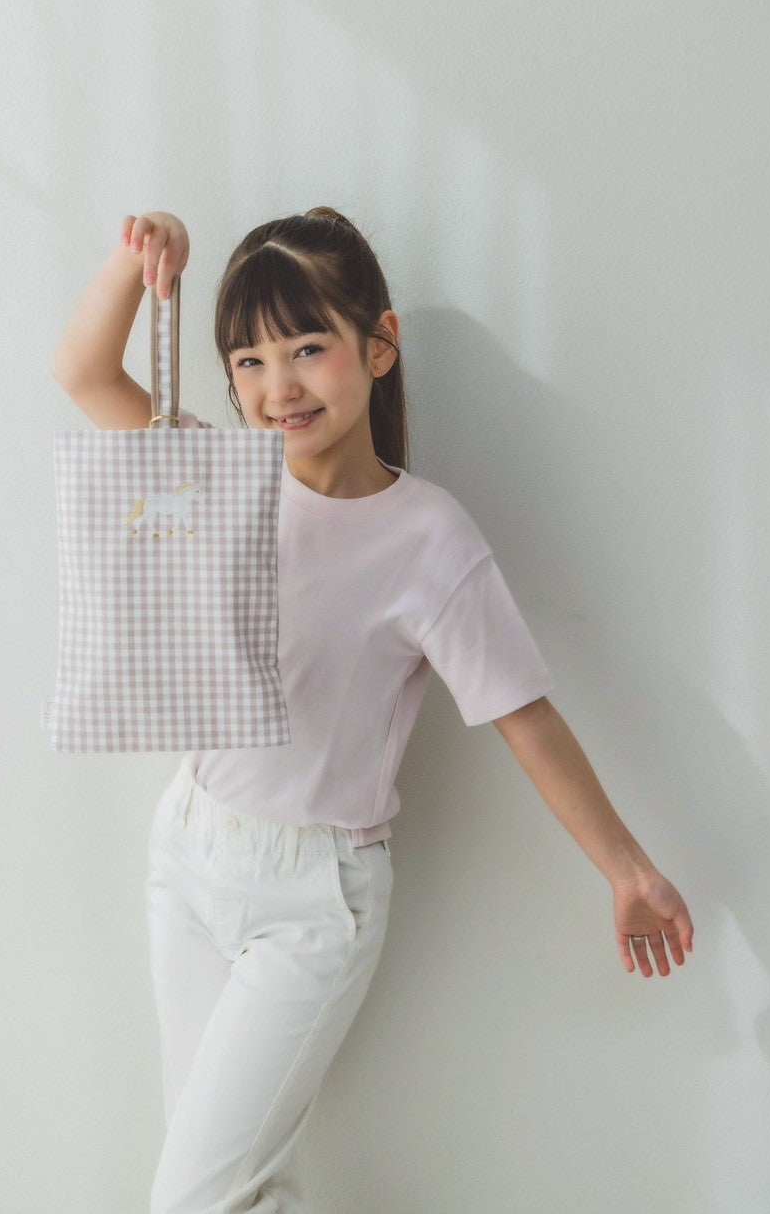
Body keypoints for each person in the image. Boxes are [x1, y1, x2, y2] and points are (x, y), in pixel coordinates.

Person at [50, 206, 695, 1214]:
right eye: (250, 361)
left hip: (312, 899)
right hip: (186, 854)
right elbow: (86, 372)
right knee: (224, 1186)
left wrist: (627, 868)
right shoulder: (217, 479)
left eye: (307, 348)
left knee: (193, 1198)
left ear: (378, 344)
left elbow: (523, 714)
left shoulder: (427, 537)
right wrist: (141, 261)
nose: (279, 386)